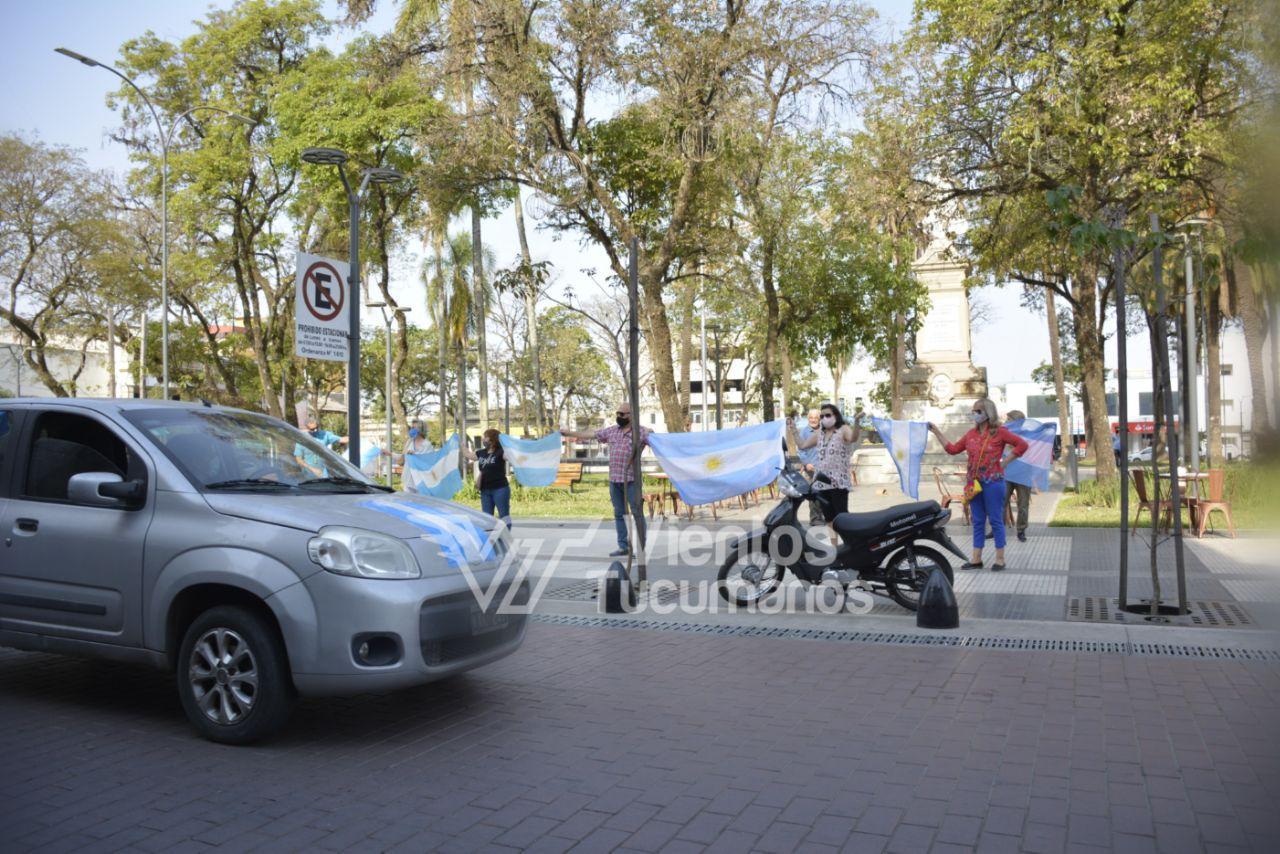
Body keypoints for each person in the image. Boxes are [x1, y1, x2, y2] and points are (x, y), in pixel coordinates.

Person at [930, 398, 1028, 571]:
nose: (974, 414)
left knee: (996, 520)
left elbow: (1022, 445)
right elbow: (952, 449)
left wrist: (1005, 462)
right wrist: (936, 431)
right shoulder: (971, 434)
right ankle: (976, 559)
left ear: (988, 413)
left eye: (978, 411)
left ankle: (1000, 559)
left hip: (993, 483)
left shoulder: (1000, 432)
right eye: (974, 411)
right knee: (978, 521)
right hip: (973, 485)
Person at [560, 402, 649, 557]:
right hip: (615, 481)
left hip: (632, 481)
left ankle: (641, 549)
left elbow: (656, 439)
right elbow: (593, 434)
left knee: (637, 515)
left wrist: (650, 430)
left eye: (622, 414)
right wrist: (569, 433)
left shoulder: (640, 433)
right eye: (618, 413)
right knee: (619, 514)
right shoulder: (612, 431)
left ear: (631, 415)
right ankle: (623, 547)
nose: (619, 417)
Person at [789, 402, 863, 520]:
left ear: (835, 415)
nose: (824, 418)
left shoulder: (843, 429)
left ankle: (847, 538)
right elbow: (802, 446)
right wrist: (793, 429)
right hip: (822, 481)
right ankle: (832, 538)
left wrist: (857, 422)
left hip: (839, 482)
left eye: (827, 415)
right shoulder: (820, 434)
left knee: (842, 517)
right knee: (829, 518)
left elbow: (853, 438)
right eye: (822, 416)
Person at [463, 428, 511, 527]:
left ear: (492, 439)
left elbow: (510, 457)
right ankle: (491, 539)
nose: (483, 439)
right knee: (487, 518)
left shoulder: (500, 452)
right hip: (485, 490)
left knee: (504, 516)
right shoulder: (481, 453)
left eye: (485, 437)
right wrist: (460, 445)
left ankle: (505, 538)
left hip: (500, 489)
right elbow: (468, 455)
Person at [1004, 409, 1032, 543]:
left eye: (1009, 420)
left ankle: (1021, 530)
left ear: (1016, 421)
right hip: (1006, 473)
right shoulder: (1003, 434)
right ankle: (997, 528)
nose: (1006, 422)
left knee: (1023, 505)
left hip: (1023, 474)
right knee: (1000, 502)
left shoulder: (1028, 435)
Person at [795, 408, 821, 473]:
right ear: (808, 419)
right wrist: (806, 463)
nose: (813, 420)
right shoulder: (804, 432)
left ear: (819, 419)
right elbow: (800, 451)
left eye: (816, 418)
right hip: (810, 469)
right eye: (811, 418)